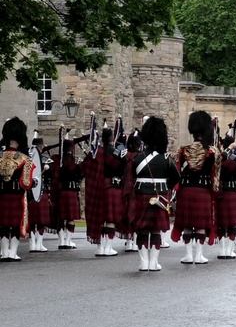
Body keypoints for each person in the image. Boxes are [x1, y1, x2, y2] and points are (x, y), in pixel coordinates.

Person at [131, 116, 180, 271]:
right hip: (160, 197)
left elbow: (130, 179)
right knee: (156, 230)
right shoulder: (166, 159)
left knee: (142, 230)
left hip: (140, 196)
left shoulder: (137, 158)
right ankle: (153, 263)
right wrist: (164, 190)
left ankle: (143, 263)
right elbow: (176, 178)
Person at [173, 111, 220, 264]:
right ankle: (198, 255)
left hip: (186, 191)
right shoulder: (213, 152)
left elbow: (177, 172)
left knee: (187, 224)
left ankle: (187, 255)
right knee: (200, 225)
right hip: (203, 191)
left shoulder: (182, 150)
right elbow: (216, 177)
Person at [83, 120, 127, 257]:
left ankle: (100, 248)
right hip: (112, 187)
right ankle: (108, 248)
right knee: (111, 219)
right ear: (112, 138)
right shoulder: (115, 152)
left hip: (98, 188)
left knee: (100, 218)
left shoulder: (96, 152)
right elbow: (120, 169)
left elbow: (86, 169)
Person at [0, 117, 35, 262]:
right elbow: (26, 183)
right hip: (16, 195)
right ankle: (12, 252)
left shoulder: (0, 156)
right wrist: (34, 182)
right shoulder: (25, 159)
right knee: (15, 224)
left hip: (1, 195)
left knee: (2, 224)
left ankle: (3, 252)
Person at [51, 128, 84, 250]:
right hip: (71, 192)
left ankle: (62, 241)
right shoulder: (72, 162)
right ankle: (68, 241)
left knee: (61, 217)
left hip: (61, 192)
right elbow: (79, 174)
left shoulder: (57, 160)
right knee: (70, 218)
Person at [215, 122, 236, 260]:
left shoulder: (220, 158)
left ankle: (222, 250)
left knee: (223, 223)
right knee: (232, 223)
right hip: (233, 192)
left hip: (222, 193)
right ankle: (229, 250)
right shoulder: (235, 161)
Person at [27, 130, 52, 253]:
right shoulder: (33, 159)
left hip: (34, 192)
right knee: (37, 220)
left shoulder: (30, 159)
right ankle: (35, 243)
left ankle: (37, 243)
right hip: (37, 191)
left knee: (37, 219)